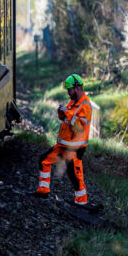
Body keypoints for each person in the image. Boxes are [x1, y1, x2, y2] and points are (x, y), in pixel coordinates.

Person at [35, 74, 94, 206]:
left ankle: (82, 202)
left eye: (70, 90)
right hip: (63, 145)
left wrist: (66, 113)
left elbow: (78, 126)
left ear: (77, 88)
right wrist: (62, 112)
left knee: (74, 174)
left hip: (75, 148)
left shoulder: (86, 105)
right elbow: (67, 119)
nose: (68, 92)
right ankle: (43, 191)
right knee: (44, 160)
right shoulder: (73, 102)